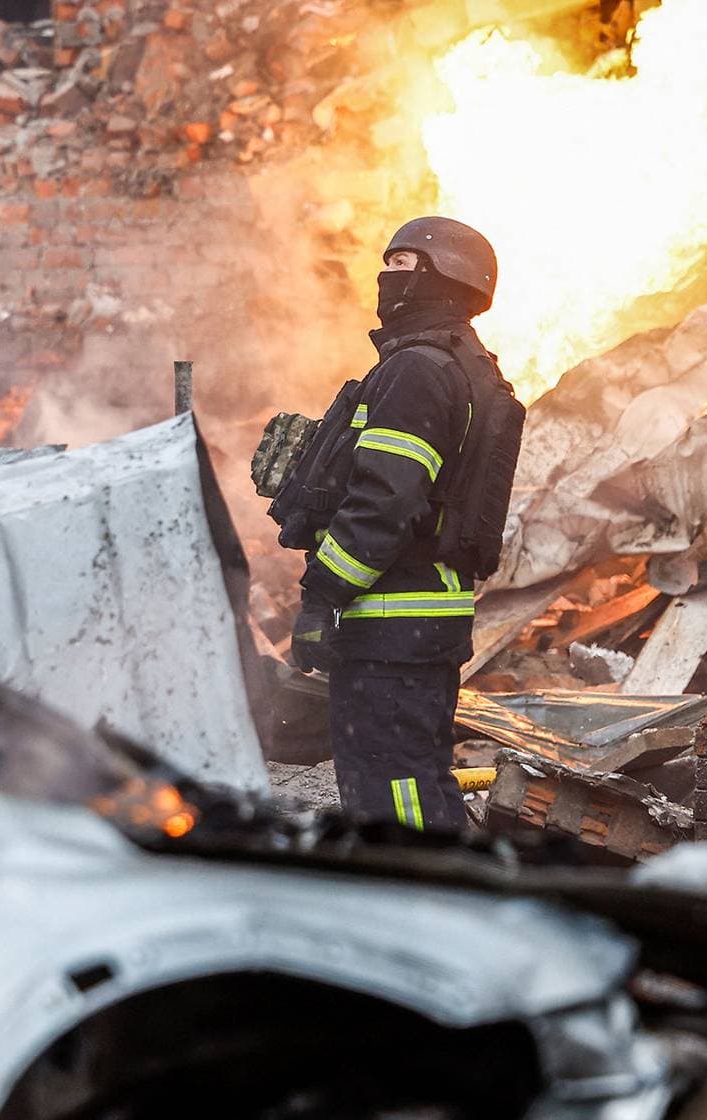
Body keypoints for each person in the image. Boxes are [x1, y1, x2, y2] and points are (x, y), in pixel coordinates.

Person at [281, 216, 514, 832]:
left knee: (394, 795)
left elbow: (385, 500)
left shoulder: (418, 370)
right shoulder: (463, 366)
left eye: (402, 264)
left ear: (446, 278)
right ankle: (442, 894)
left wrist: (322, 595)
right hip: (419, 625)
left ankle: (425, 898)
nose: (385, 276)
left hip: (390, 625)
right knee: (416, 778)